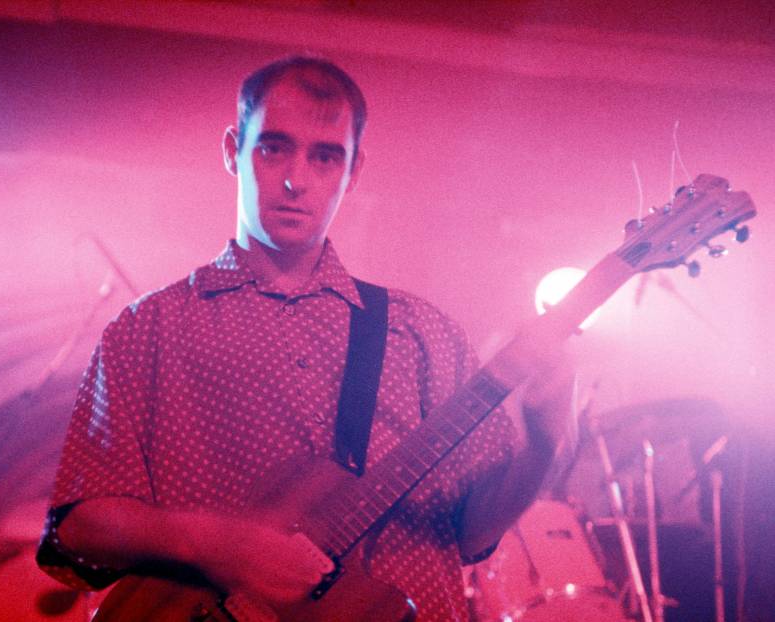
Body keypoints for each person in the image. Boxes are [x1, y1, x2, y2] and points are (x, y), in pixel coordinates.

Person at [37, 55, 573, 622]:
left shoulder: (423, 333)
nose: (297, 178)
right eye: (273, 148)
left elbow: (471, 535)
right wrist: (222, 546)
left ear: (354, 170)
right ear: (231, 151)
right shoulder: (148, 328)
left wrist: (543, 441)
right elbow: (79, 527)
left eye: (325, 156)